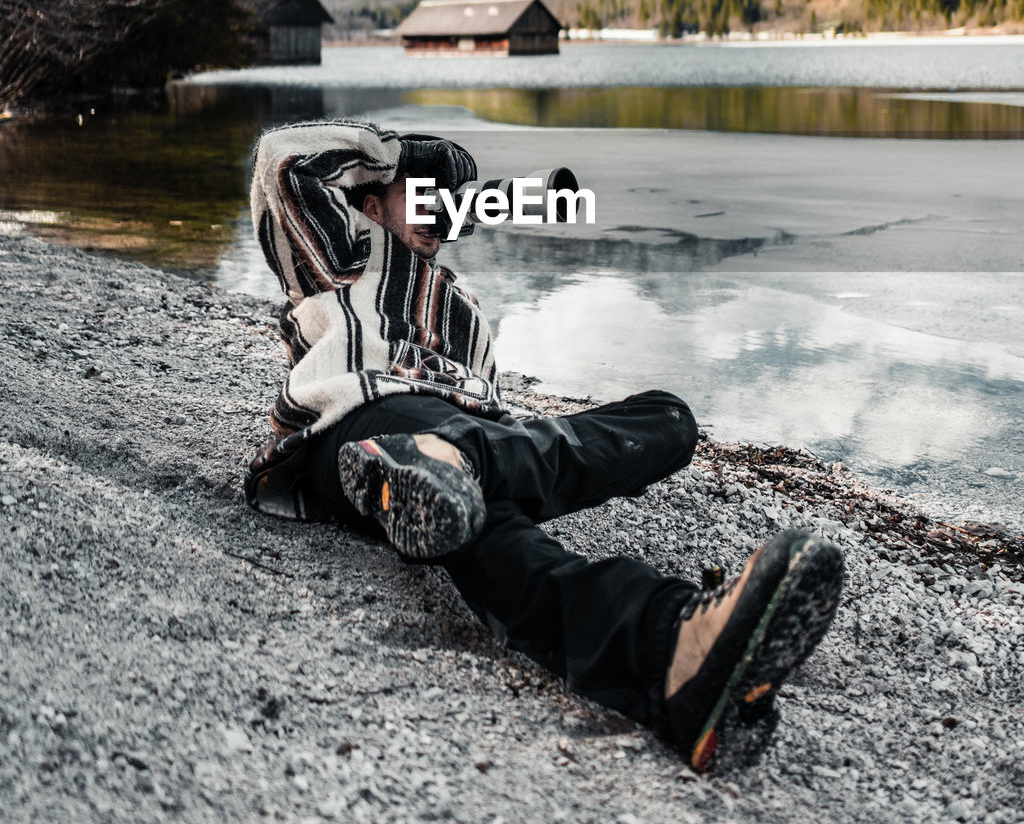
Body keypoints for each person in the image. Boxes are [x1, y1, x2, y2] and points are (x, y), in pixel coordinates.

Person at [245, 117, 844, 773]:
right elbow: (283, 159)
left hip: (444, 476)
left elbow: (498, 412)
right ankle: (443, 463)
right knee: (469, 461)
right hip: (362, 427)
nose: (436, 217)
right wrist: (402, 154)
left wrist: (481, 201)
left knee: (664, 423)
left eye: (446, 209)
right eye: (419, 197)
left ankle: (669, 649)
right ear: (366, 203)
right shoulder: (341, 258)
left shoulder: (463, 313)